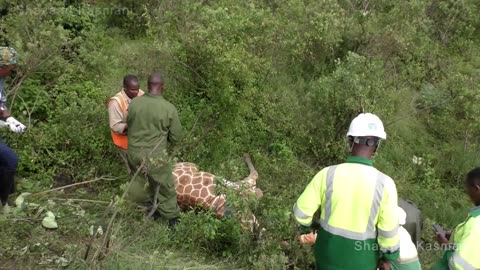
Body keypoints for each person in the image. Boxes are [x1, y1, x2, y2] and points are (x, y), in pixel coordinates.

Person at [293, 113, 400, 270]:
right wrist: (387, 258)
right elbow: (388, 235)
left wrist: (310, 229)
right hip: (364, 261)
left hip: (326, 257)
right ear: (376, 146)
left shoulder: (327, 174)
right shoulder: (385, 184)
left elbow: (300, 214)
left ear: (350, 141)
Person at [125, 72, 183, 227]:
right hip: (155, 156)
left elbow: (129, 124)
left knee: (139, 180)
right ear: (162, 87)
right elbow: (177, 137)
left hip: (134, 153)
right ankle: (173, 221)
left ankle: (133, 210)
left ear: (147, 86)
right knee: (165, 187)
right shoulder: (168, 108)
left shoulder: (134, 103)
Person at [434, 167, 480, 269]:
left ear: (476, 189)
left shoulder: (476, 223)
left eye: (468, 188)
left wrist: (446, 246)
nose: (467, 192)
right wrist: (453, 237)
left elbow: (460, 265)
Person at [0, 47, 26, 211]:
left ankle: (7, 193)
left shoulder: (1, 79)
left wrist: (9, 118)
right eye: (11, 67)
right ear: (3, 66)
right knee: (11, 160)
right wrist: (4, 123)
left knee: (4, 162)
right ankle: (2, 203)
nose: (13, 70)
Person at [107, 75, 144, 173]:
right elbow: (115, 126)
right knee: (133, 168)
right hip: (124, 142)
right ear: (125, 88)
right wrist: (132, 126)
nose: (136, 92)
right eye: (133, 90)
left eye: (137, 88)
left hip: (140, 139)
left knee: (145, 165)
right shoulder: (115, 102)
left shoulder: (140, 93)